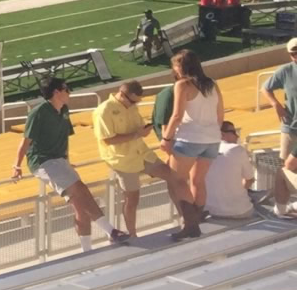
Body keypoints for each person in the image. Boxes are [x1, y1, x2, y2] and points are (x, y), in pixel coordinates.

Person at [12, 77, 126, 249]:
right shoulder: (39, 113)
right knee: (81, 189)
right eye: (66, 89)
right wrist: (17, 165)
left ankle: (86, 250)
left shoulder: (64, 109)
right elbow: (25, 141)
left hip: (59, 161)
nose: (69, 92)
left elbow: (64, 138)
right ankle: (112, 231)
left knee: (81, 207)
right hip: (44, 161)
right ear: (56, 92)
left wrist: (67, 161)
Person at [94, 79, 192, 237]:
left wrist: (144, 129)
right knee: (132, 198)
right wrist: (136, 134)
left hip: (142, 153)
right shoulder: (104, 111)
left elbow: (138, 127)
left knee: (173, 177)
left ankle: (186, 219)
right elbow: (107, 139)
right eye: (133, 101)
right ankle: (132, 235)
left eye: (137, 102)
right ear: (122, 94)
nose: (134, 105)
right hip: (122, 160)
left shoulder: (132, 107)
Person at [160, 48, 225, 232]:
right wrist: (212, 131)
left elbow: (177, 115)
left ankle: (190, 224)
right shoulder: (212, 83)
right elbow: (220, 114)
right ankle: (197, 216)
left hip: (189, 138)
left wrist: (166, 138)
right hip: (212, 139)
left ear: (181, 66)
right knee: (198, 180)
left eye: (175, 66)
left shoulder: (183, 85)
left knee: (177, 180)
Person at [264, 38, 297, 218]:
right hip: (290, 128)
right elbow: (266, 87)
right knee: (284, 169)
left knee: (287, 167)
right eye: (293, 53)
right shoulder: (286, 71)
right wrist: (275, 104)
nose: (296, 56)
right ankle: (281, 208)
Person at [206, 121, 257, 221]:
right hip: (239, 212)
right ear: (222, 134)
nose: (237, 136)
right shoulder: (237, 149)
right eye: (233, 132)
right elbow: (249, 180)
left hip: (210, 211)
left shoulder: (201, 151)